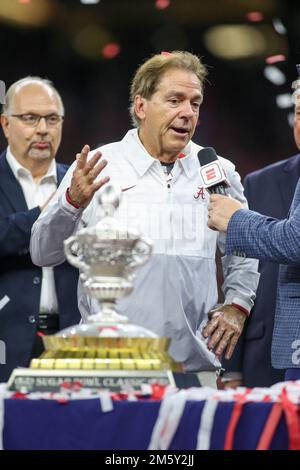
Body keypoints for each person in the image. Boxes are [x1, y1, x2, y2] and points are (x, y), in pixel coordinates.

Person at [30, 51, 259, 387]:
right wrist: (70, 203)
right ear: (141, 107)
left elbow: (244, 247)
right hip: (110, 368)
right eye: (175, 100)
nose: (187, 113)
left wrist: (237, 304)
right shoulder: (98, 165)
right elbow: (42, 252)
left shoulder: (216, 172)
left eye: (195, 103)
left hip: (193, 370)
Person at [208, 78, 300, 382]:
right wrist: (231, 365)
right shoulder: (261, 181)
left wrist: (236, 219)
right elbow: (241, 269)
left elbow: (293, 241)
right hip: (270, 352)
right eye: (299, 112)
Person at [0, 77, 81, 382]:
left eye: (52, 118)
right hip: (6, 336)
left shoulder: (79, 183)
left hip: (71, 340)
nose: (43, 129)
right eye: (30, 118)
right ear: (6, 124)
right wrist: (53, 211)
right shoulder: (75, 193)